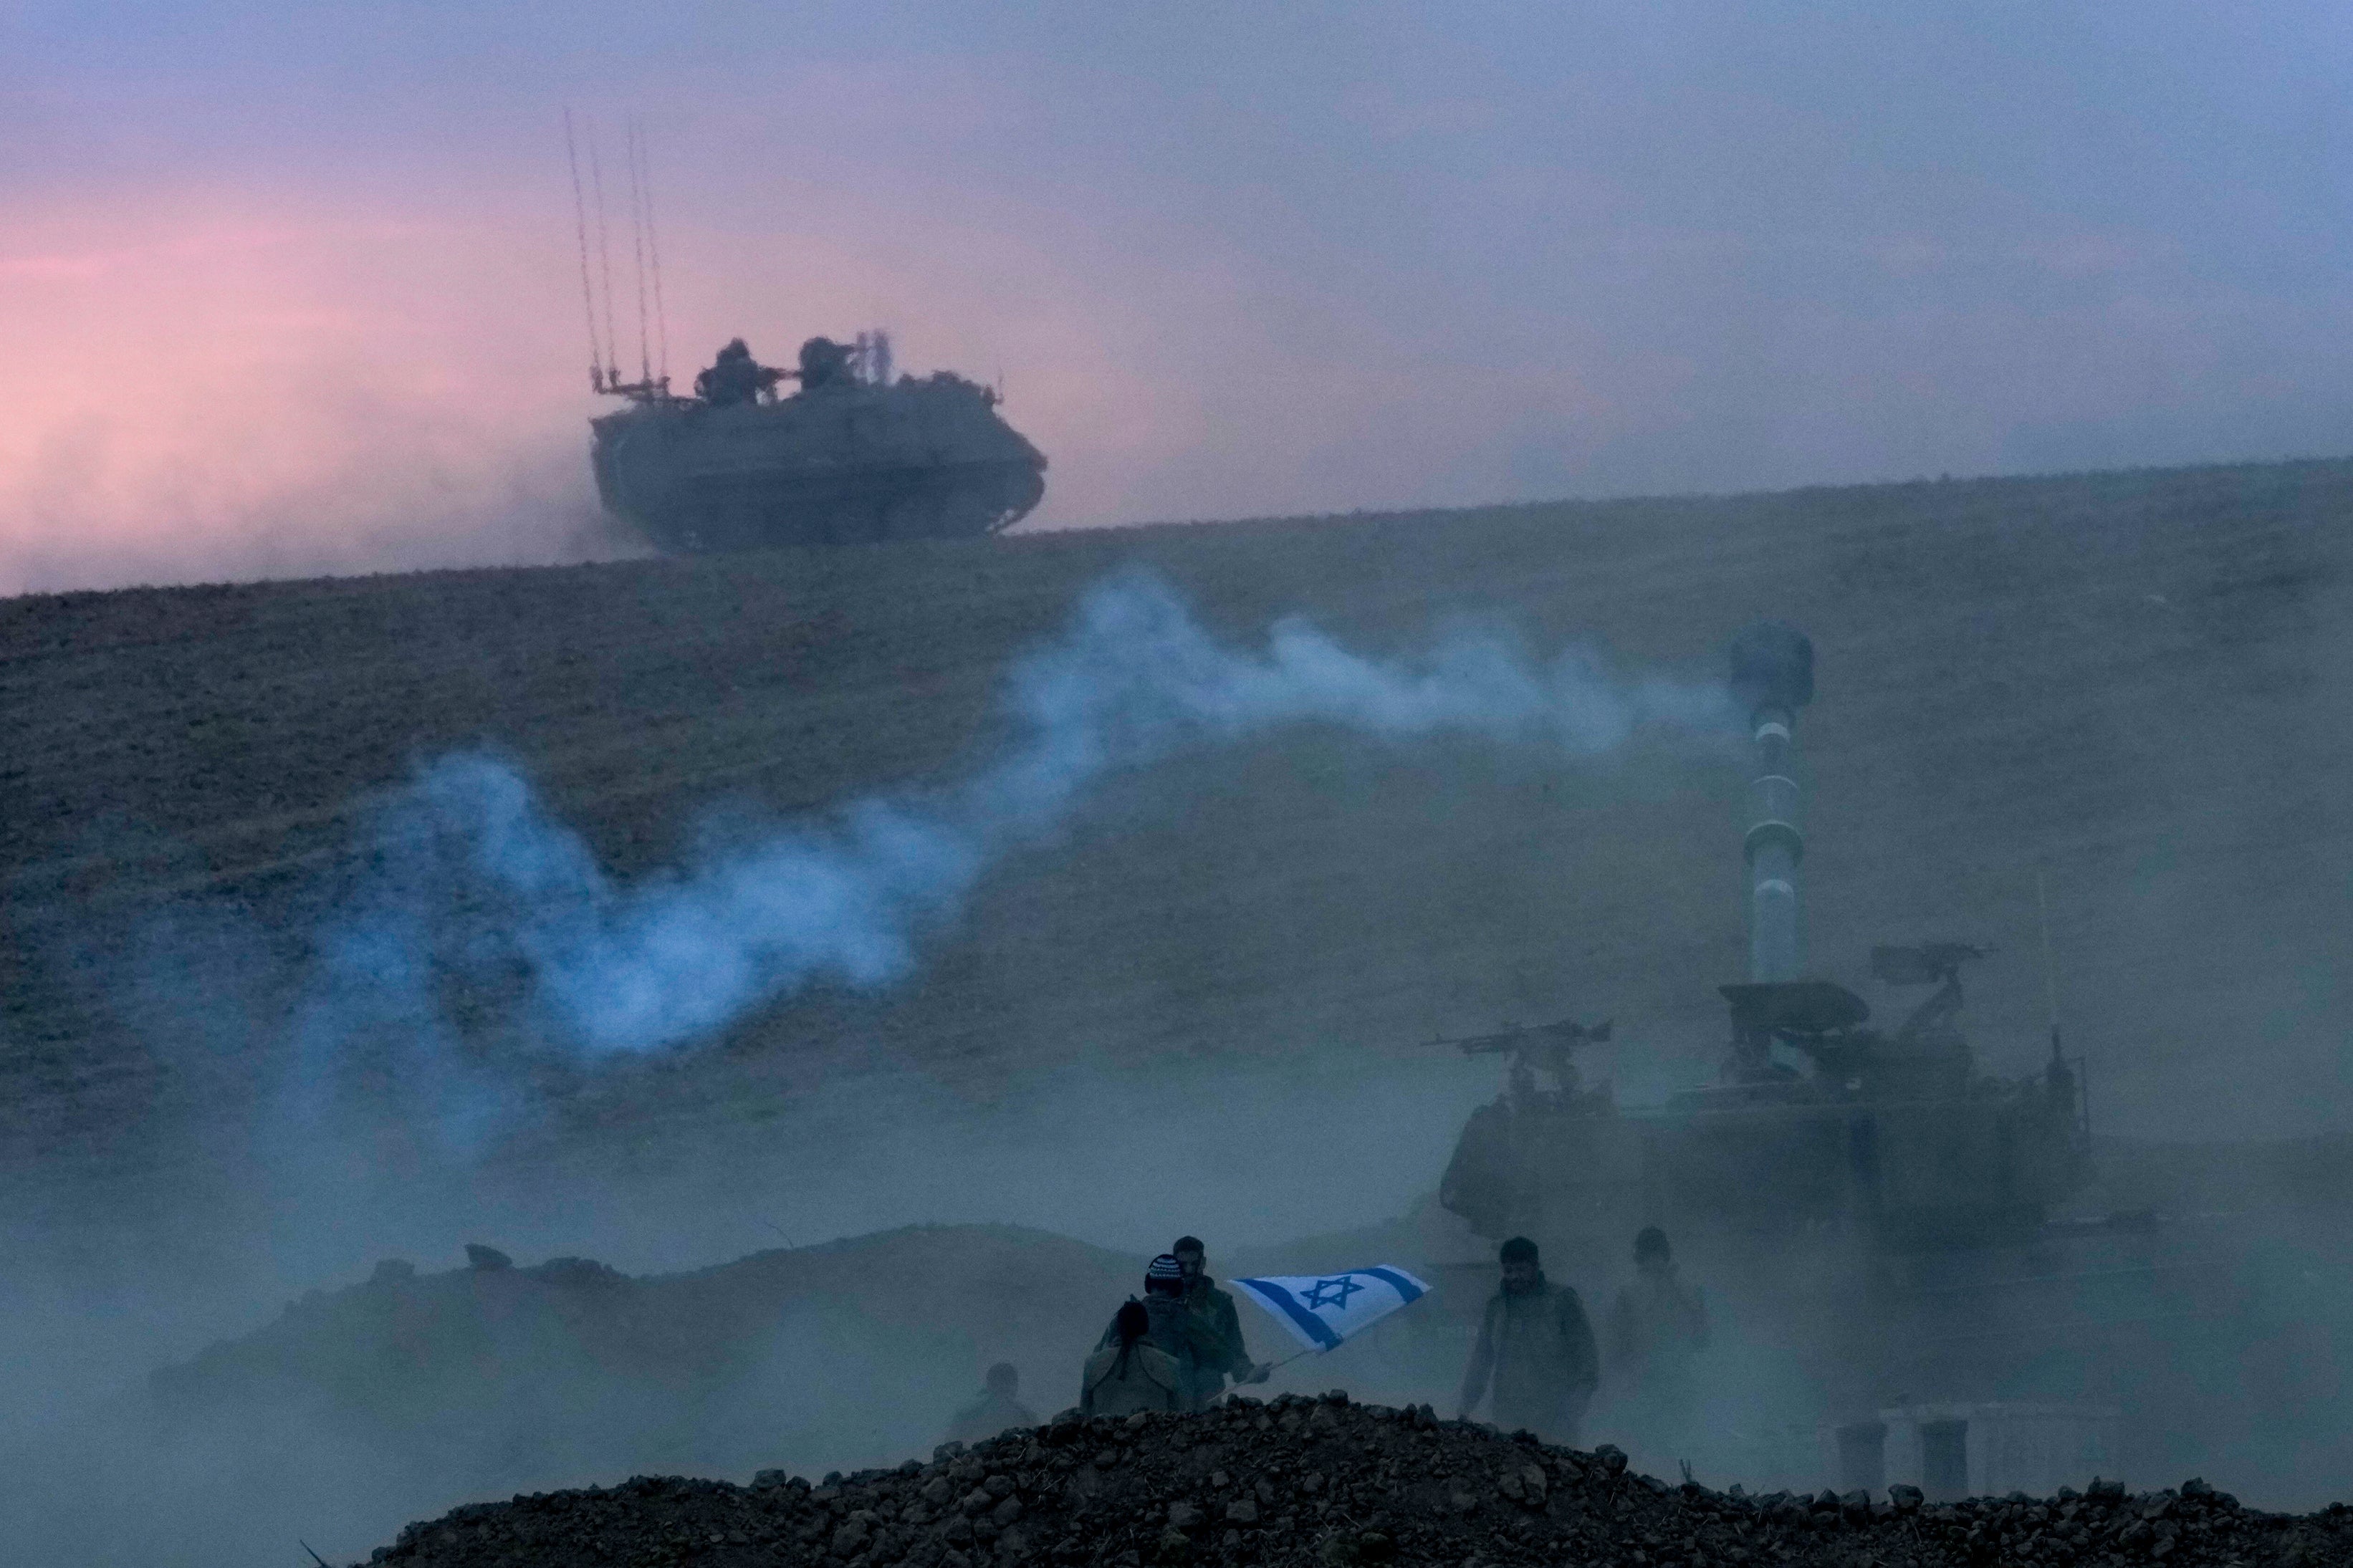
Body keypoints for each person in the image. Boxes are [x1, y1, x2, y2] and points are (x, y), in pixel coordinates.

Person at [1456, 1235, 1600, 1443]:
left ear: (1535, 1267)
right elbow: (1482, 1360)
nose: (1515, 1277)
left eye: (1521, 1270)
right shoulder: (1497, 1308)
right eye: (1509, 1271)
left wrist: (1572, 1412)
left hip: (1555, 1419)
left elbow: (1587, 1361)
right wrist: (1466, 1404)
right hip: (1508, 1417)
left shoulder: (1562, 1301)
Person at [1605, 1227, 1710, 1456]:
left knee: (1670, 1444)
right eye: (1650, 1256)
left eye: (1656, 1256)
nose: (1653, 1262)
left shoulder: (1686, 1290)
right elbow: (1618, 1342)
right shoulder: (1631, 1292)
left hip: (1669, 1379)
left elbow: (1702, 1338)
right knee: (1650, 1444)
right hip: (1648, 1381)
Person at [1171, 1235, 1271, 1408]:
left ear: (1202, 1263)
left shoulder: (1221, 1304)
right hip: (1172, 1391)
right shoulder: (1163, 1301)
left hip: (1209, 1392)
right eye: (1182, 1265)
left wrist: (1250, 1372)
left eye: (1193, 1264)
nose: (1188, 1269)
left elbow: (1234, 1349)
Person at [1081, 1300, 1182, 1417]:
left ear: (1119, 1326)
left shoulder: (1093, 1364)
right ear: (1146, 1326)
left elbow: (1084, 1413)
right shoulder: (1170, 1364)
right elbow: (1178, 1413)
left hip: (1105, 1434)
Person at [945, 1362, 1037, 1446]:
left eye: (1008, 1381)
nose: (1004, 1387)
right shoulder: (1026, 1416)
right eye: (1001, 1382)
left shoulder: (966, 1413)